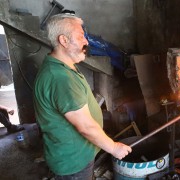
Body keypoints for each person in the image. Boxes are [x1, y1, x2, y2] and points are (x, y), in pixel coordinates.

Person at [33, 13, 132, 179]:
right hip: (73, 163)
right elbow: (86, 127)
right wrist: (114, 148)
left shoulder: (63, 67)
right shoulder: (60, 78)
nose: (86, 41)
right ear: (63, 40)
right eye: (80, 36)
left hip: (76, 155)